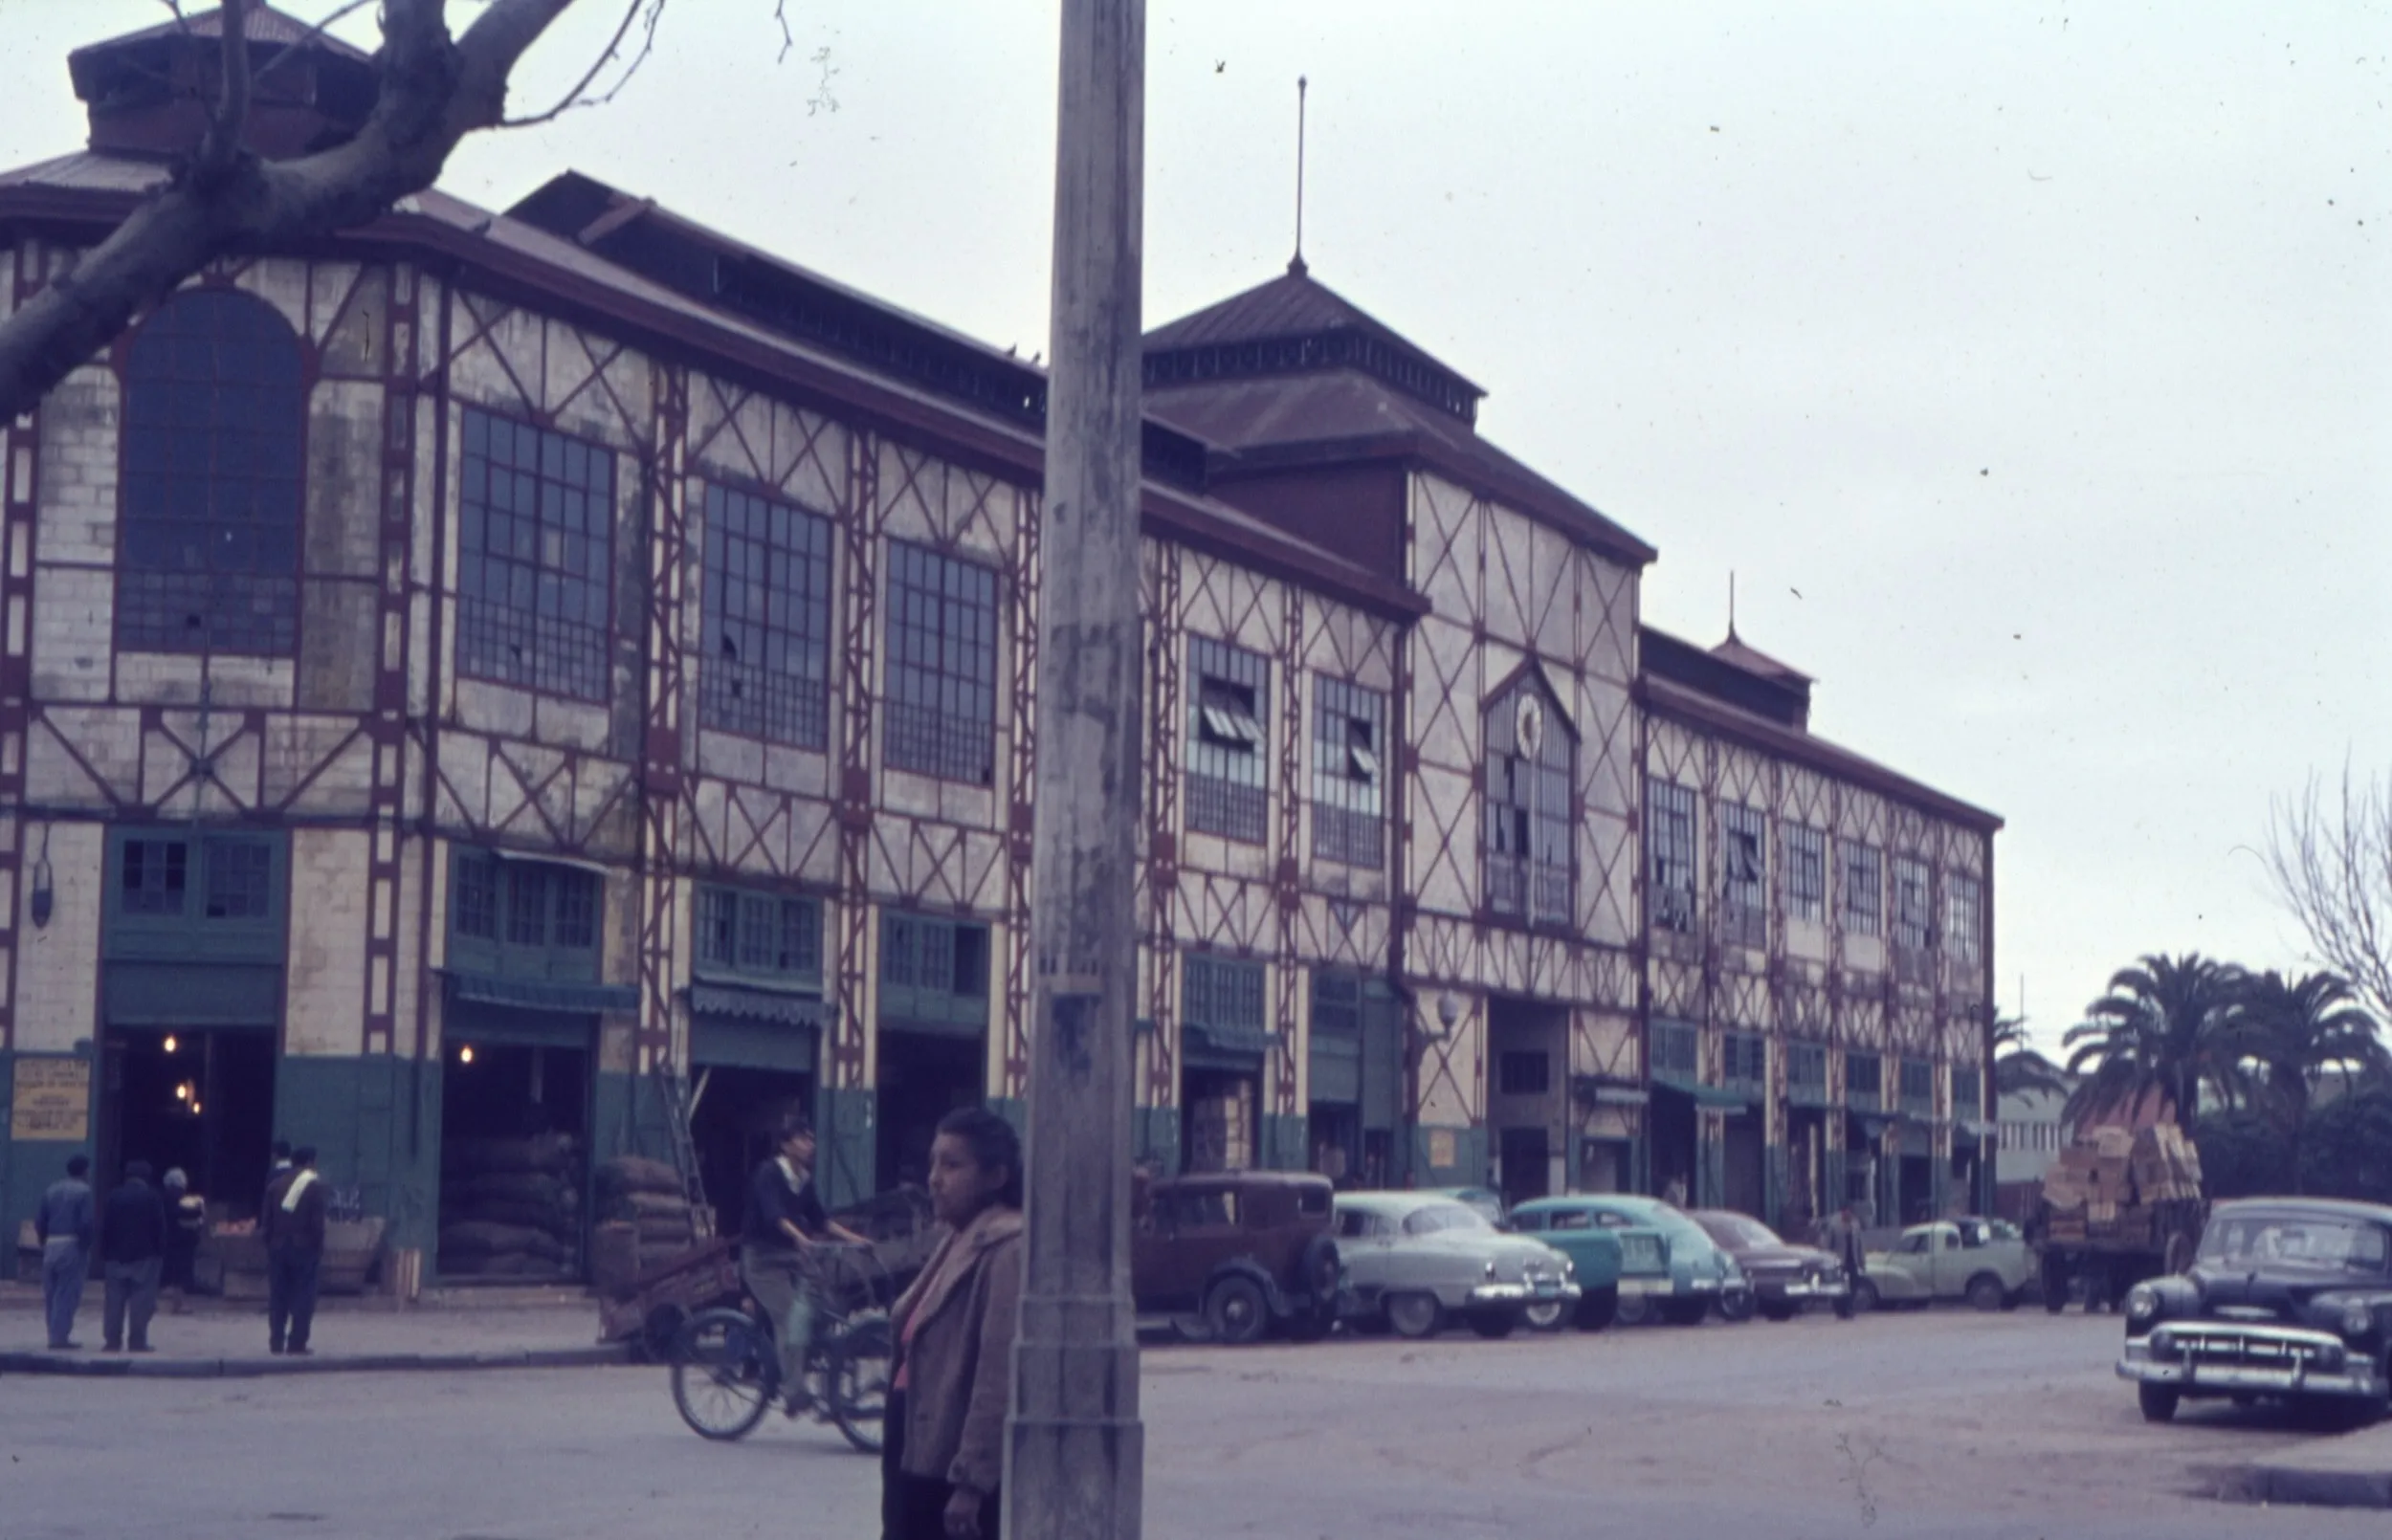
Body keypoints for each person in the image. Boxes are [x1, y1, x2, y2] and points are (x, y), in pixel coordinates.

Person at [883, 1106, 1024, 1540]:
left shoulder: (1006, 1248)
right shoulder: (957, 1238)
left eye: (952, 1165)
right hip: (916, 1447)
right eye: (933, 1164)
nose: (935, 1178)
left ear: (996, 1176)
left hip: (948, 1465)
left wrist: (971, 1481)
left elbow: (996, 1375)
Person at [740, 1115, 867, 1408]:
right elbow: (775, 1216)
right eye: (802, 1139)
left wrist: (856, 1240)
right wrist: (800, 1238)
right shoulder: (768, 1173)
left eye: (811, 1139)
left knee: (825, 1307)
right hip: (762, 1260)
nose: (810, 1144)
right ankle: (793, 1391)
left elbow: (821, 1219)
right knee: (790, 1317)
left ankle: (794, 1365)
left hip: (793, 1259)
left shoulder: (804, 1179)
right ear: (785, 1145)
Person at [262, 1145, 327, 1355]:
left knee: (278, 1296)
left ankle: (276, 1342)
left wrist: (270, 1245)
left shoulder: (275, 1185)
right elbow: (317, 1224)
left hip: (278, 1247)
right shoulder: (314, 1186)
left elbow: (267, 1223)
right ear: (309, 1162)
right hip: (304, 1248)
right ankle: (297, 1342)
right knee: (304, 1297)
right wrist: (319, 1247)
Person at [100, 1160, 166, 1353]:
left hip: (115, 1256)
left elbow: (106, 1226)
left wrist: (103, 1252)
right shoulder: (152, 1197)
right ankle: (137, 1341)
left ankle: (112, 1341)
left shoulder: (113, 1196)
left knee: (114, 1301)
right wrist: (160, 1252)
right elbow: (159, 1227)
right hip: (145, 1256)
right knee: (141, 1300)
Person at [33, 1155, 96, 1351]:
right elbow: (85, 1223)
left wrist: (43, 1241)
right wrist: (86, 1245)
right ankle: (59, 1338)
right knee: (67, 1293)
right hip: (72, 1243)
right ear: (85, 1171)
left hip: (51, 1243)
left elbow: (40, 1221)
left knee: (51, 1292)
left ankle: (52, 1333)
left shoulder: (51, 1189)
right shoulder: (84, 1191)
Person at [161, 1169, 206, 1314]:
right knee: (180, 1274)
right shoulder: (179, 1198)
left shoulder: (162, 1197)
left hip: (167, 1239)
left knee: (169, 1272)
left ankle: (170, 1303)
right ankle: (178, 1304)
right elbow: (189, 1213)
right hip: (182, 1240)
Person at [1827, 1204, 1867, 1320]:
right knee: (1838, 1286)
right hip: (1839, 1261)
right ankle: (1840, 1309)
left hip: (1852, 1260)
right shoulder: (1834, 1224)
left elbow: (1860, 1244)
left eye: (1849, 1213)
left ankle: (1849, 1307)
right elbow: (1829, 1244)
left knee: (1853, 1284)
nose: (1847, 1215)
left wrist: (1862, 1261)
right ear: (1842, 1212)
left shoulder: (1855, 1224)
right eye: (1845, 1213)